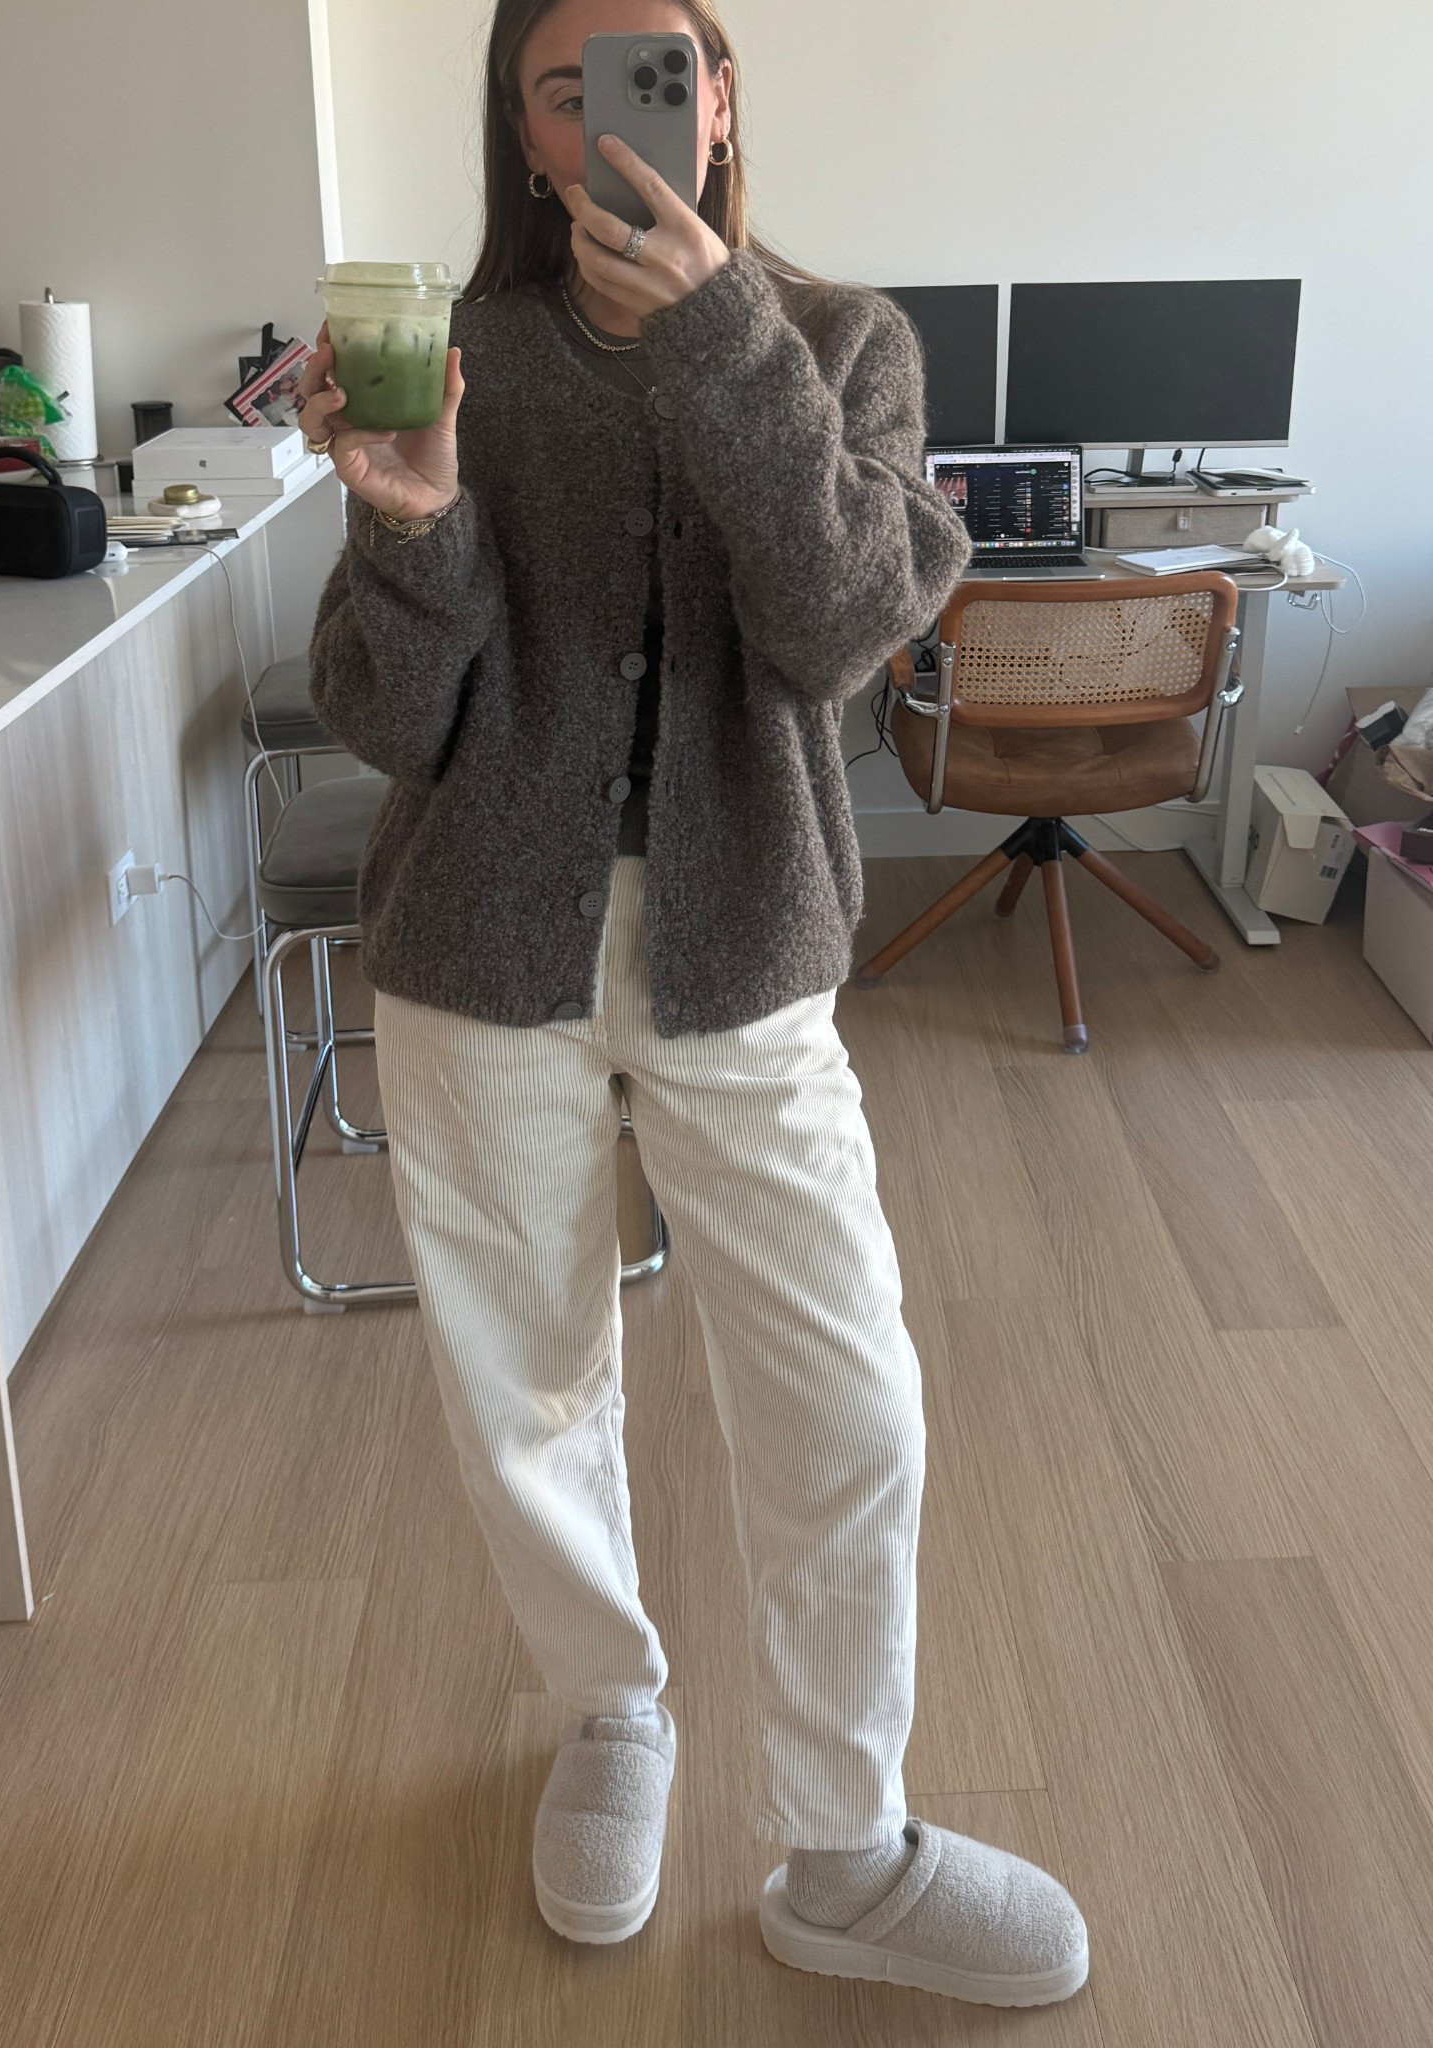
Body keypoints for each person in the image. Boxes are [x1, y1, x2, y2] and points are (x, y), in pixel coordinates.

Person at [295, 0, 1089, 2010]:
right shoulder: (463, 354)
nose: (615, 121)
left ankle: (847, 1845)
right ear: (523, 130)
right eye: (567, 90)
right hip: (483, 953)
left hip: (745, 959)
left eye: (655, 75)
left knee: (848, 1396)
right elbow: (385, 716)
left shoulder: (840, 343)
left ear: (720, 99)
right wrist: (409, 517)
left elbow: (841, 626)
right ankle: (610, 1707)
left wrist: (723, 332)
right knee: (526, 1386)